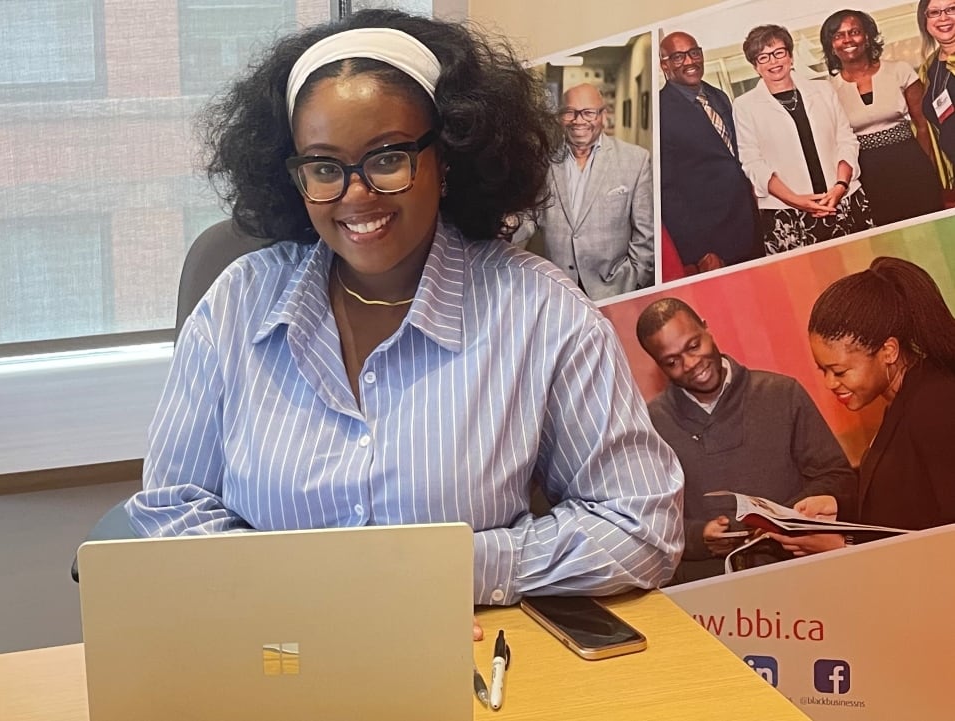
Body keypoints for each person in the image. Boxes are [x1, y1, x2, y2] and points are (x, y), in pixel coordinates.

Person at [126, 10, 683, 613]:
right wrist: (293, 597)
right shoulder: (238, 302)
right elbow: (171, 504)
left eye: (387, 157)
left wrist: (449, 570)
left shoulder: (543, 313)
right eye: (323, 167)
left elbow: (641, 525)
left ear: (446, 158)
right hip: (274, 652)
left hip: (464, 663)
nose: (355, 193)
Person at [636, 298, 856, 582]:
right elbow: (647, 522)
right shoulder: (650, 425)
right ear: (658, 365)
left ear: (706, 328)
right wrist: (697, 537)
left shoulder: (781, 393)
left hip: (800, 578)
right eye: (672, 361)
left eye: (693, 346)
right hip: (709, 596)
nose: (691, 364)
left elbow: (839, 479)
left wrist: (783, 517)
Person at [779, 257, 955, 555]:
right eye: (823, 370)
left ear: (888, 351)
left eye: (840, 371)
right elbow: (905, 500)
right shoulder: (902, 399)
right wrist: (839, 508)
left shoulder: (936, 404)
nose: (830, 384)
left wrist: (843, 545)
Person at [733, 24, 874, 255]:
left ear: (790, 56)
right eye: (763, 57)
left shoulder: (823, 90)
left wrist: (840, 186)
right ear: (755, 66)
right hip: (786, 213)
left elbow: (846, 140)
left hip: (844, 200)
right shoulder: (745, 106)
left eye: (779, 52)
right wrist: (795, 200)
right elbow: (752, 162)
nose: (773, 61)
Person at [516, 83, 654, 300]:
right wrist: (501, 228)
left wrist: (635, 281)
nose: (578, 120)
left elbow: (646, 235)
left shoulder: (635, 160)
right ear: (560, 117)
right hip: (560, 292)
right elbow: (530, 217)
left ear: (602, 115)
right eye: (569, 112)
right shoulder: (544, 161)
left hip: (615, 290)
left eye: (588, 112)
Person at [821, 9, 942, 226]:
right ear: (831, 46)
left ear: (867, 37)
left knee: (932, 229)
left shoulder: (899, 70)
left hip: (911, 164)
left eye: (854, 31)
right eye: (838, 35)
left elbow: (923, 126)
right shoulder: (828, 90)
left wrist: (927, 167)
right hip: (867, 174)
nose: (847, 39)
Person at [658, 31, 762, 274]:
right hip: (713, 243)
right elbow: (666, 192)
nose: (690, 61)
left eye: (694, 53)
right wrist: (700, 251)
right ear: (665, 64)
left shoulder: (717, 95)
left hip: (751, 226)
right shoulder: (661, 112)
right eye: (678, 57)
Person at [916, 0, 955, 192]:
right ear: (924, 21)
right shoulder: (929, 67)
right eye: (934, 12)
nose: (944, 17)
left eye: (952, 9)